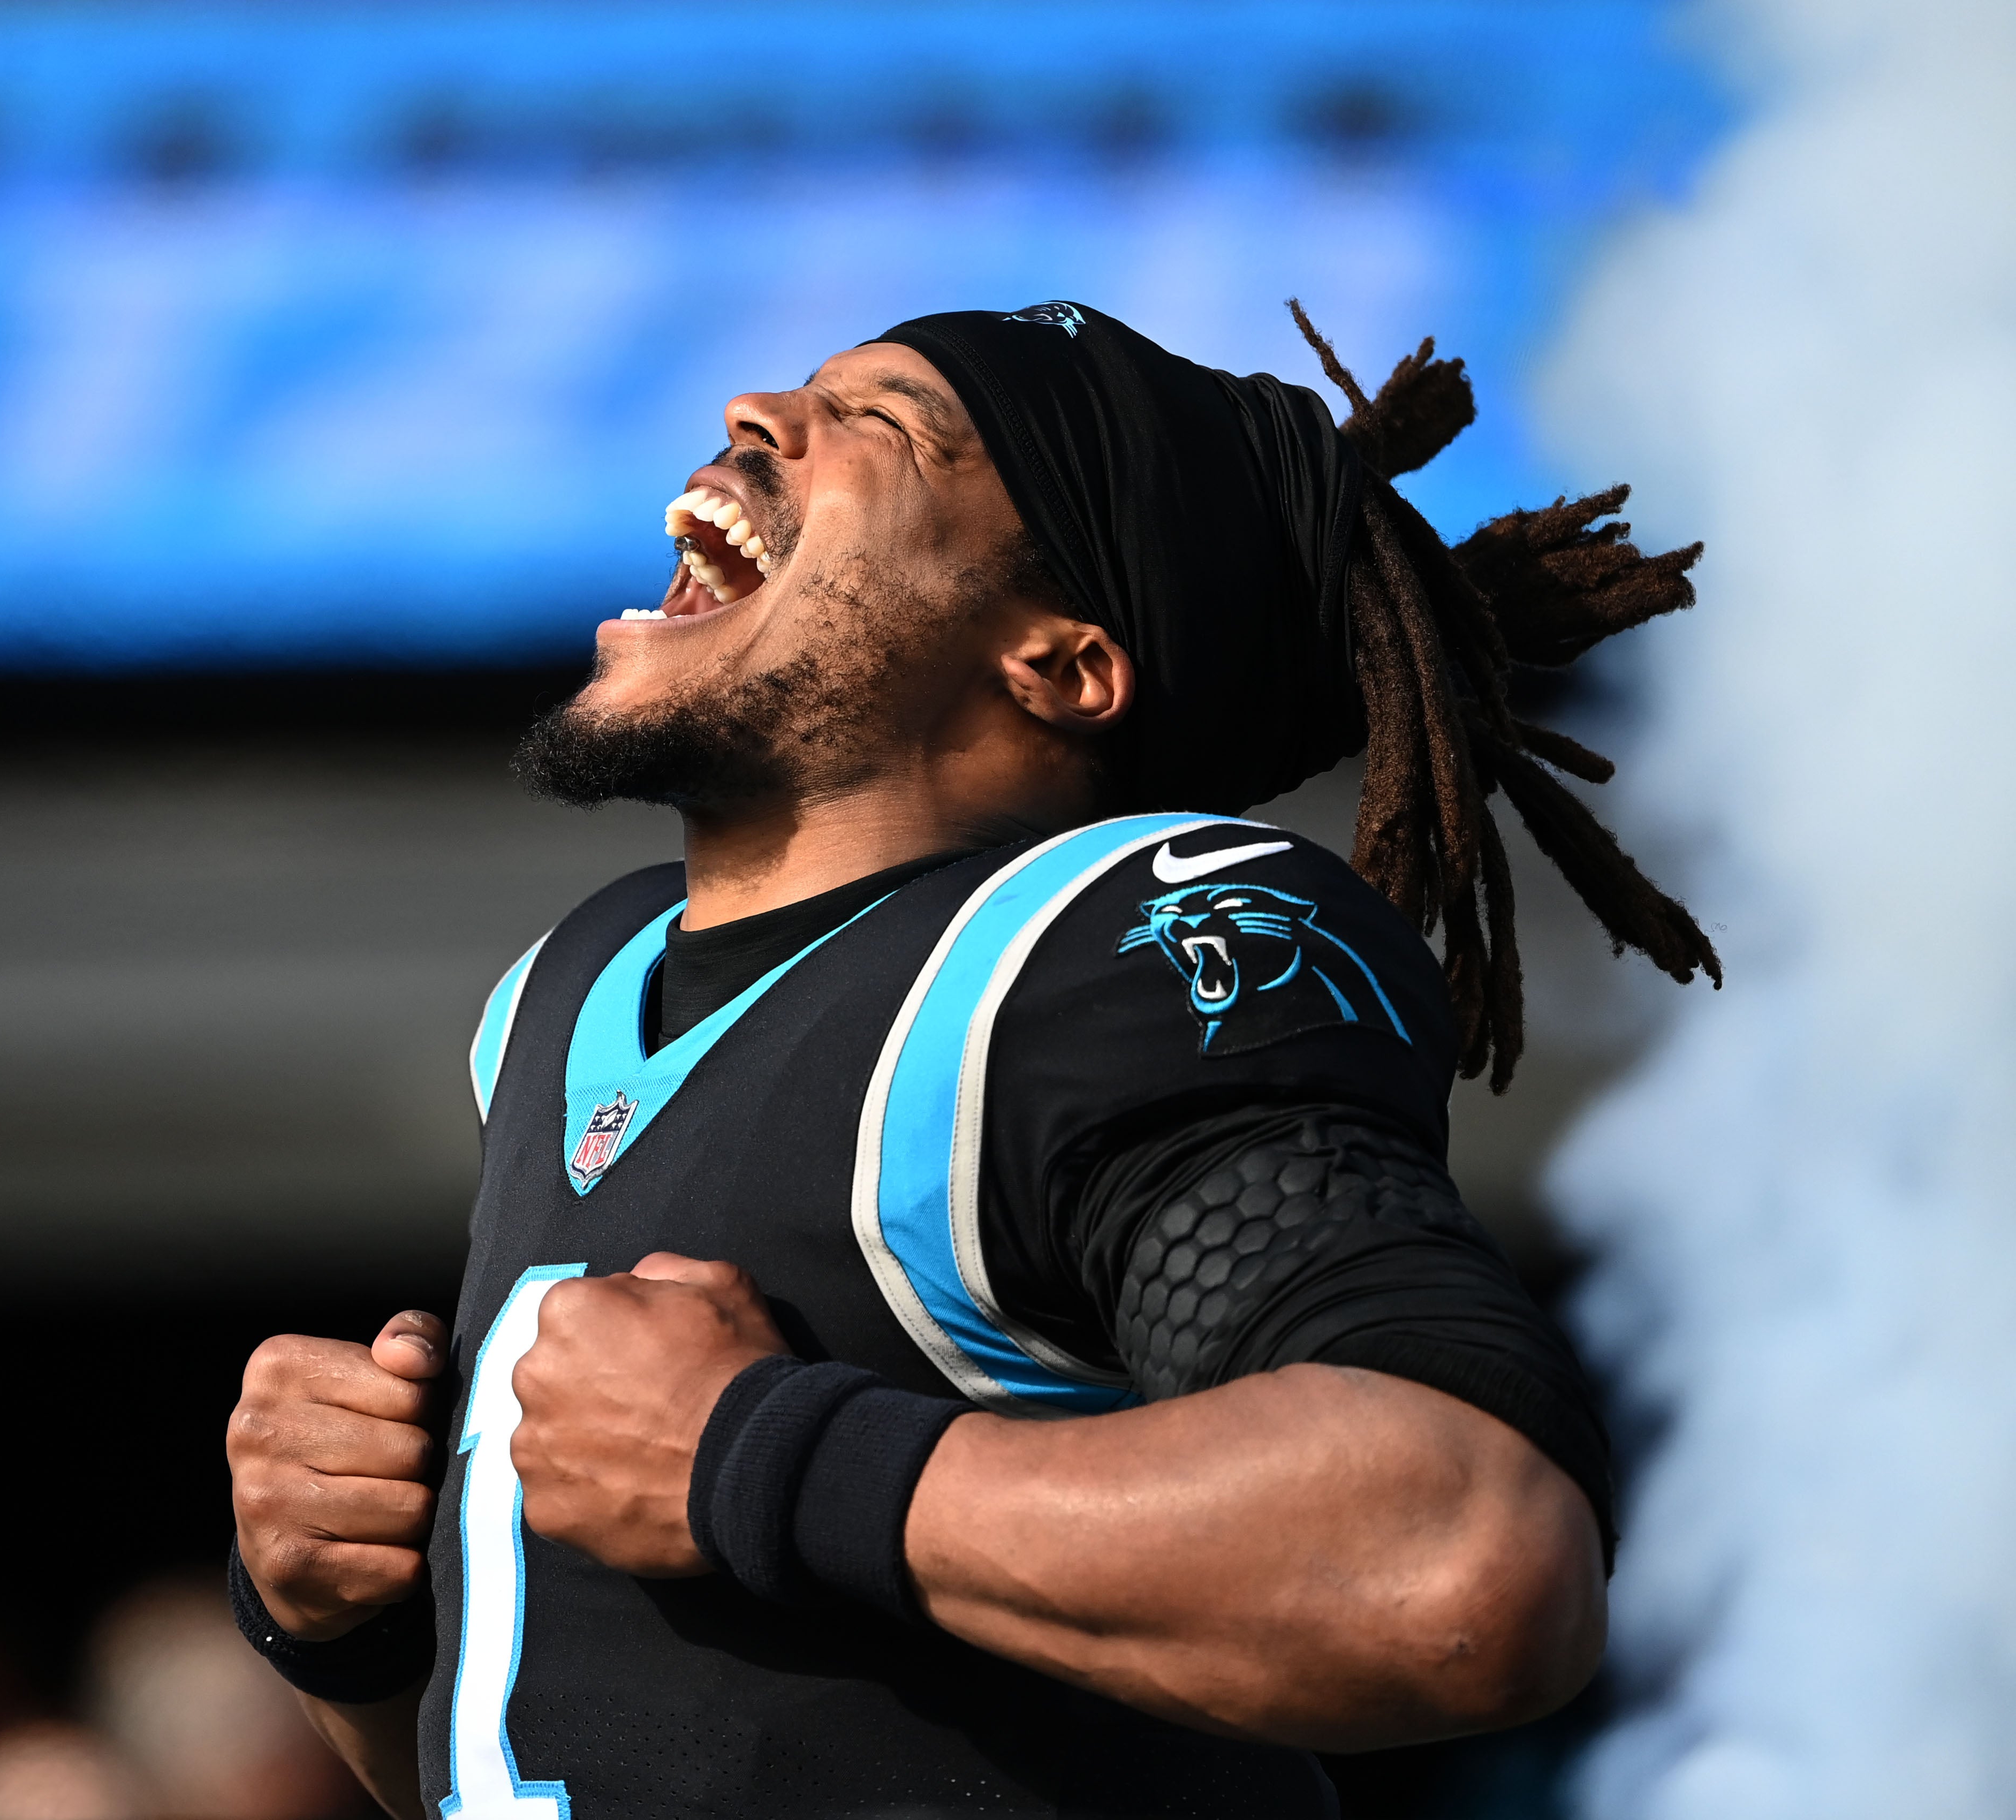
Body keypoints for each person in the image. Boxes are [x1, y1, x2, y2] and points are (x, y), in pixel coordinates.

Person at [224, 299, 1718, 1818]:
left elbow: (1461, 1561)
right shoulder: (567, 991)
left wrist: (754, 1455)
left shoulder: (1093, 949)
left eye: (884, 422)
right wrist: (344, 1616)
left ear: (1060, 664)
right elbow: (563, 1747)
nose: (755, 411)